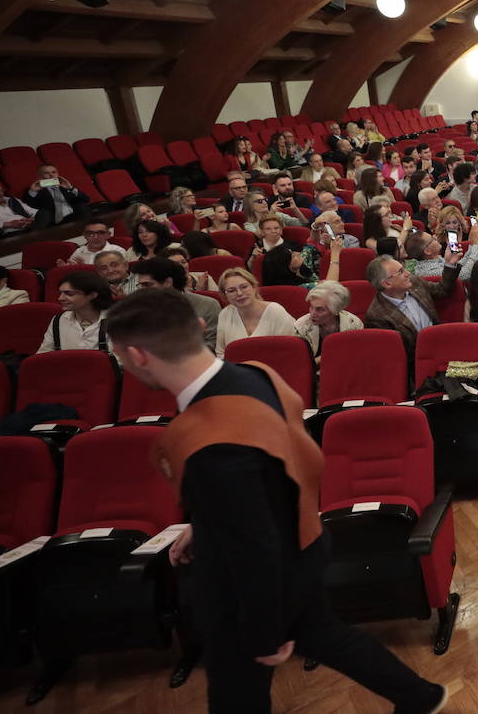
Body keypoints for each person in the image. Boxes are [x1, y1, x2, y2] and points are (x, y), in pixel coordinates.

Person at [104, 288, 448, 713]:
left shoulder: (210, 437)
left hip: (253, 584)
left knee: (236, 696)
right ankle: (419, 696)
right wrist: (206, 520)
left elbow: (254, 540)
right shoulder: (254, 374)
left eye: (120, 357)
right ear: (197, 328)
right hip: (302, 537)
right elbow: (273, 471)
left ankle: (418, 696)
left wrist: (265, 630)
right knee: (325, 636)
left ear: (138, 355)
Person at [363, 253, 462, 355]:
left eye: (403, 268)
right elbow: (394, 354)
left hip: (440, 342)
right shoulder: (376, 317)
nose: (408, 273)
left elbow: (442, 290)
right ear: (387, 284)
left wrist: (450, 264)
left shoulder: (413, 282)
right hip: (415, 361)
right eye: (400, 272)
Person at [133, 257, 220, 352]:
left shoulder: (207, 305)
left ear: (168, 282)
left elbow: (212, 345)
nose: (141, 290)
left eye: (147, 285)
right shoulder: (140, 309)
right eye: (140, 285)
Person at [214, 268, 297, 357]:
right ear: (224, 295)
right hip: (236, 369)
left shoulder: (276, 312)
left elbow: (287, 351)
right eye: (231, 290)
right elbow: (221, 353)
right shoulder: (225, 314)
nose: (239, 293)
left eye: (244, 287)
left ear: (254, 287)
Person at [38, 271, 113, 352]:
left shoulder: (116, 320)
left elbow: (121, 361)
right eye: (61, 293)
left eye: (69, 293)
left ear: (92, 295)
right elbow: (43, 356)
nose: (60, 298)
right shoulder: (58, 321)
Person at [23, 164, 89, 227]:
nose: (51, 175)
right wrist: (33, 191)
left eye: (54, 172)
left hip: (73, 216)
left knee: (81, 206)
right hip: (52, 221)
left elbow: (86, 199)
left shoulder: (66, 186)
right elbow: (30, 207)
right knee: (44, 214)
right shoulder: (35, 190)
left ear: (58, 174)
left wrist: (71, 188)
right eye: (46, 173)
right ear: (39, 176)